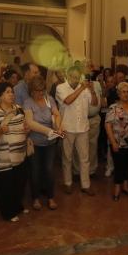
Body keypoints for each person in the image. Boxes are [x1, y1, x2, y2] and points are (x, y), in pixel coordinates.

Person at [0, 82, 30, 221]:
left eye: (12, 92)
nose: (12, 94)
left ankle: (17, 206)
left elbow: (24, 127)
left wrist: (27, 130)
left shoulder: (18, 109)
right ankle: (8, 212)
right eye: (7, 92)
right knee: (7, 187)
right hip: (4, 157)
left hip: (20, 154)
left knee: (19, 184)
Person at [56, 66, 97, 195]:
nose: (75, 79)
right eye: (73, 77)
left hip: (83, 128)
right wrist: (82, 88)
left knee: (84, 158)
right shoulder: (60, 88)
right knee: (67, 157)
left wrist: (93, 91)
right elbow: (68, 101)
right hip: (67, 127)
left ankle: (86, 185)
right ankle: (68, 183)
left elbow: (94, 103)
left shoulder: (84, 88)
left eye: (77, 77)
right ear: (67, 76)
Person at [23, 75, 62, 211]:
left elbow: (56, 114)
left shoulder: (49, 99)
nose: (40, 93)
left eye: (42, 90)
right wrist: (48, 131)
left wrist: (57, 127)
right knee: (35, 171)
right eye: (37, 91)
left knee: (49, 170)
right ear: (31, 91)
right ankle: (36, 198)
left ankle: (51, 197)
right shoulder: (28, 102)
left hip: (50, 143)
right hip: (35, 143)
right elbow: (30, 123)